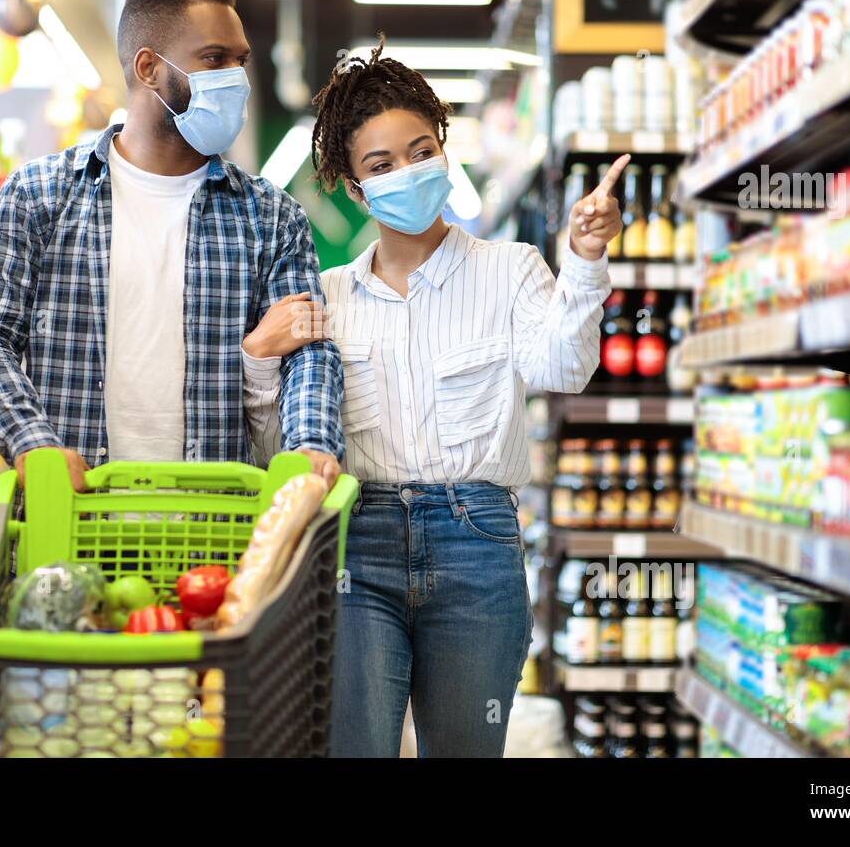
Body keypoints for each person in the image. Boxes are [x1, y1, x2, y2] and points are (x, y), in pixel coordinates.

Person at [242, 42, 625, 757]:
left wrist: (584, 260)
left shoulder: (511, 270)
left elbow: (566, 368)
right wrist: (260, 358)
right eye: (382, 165)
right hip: (354, 545)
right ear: (354, 189)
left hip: (477, 543)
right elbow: (280, 453)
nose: (408, 173)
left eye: (421, 152)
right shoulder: (326, 300)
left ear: (446, 153)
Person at [0, 0, 343, 488]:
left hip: (214, 521)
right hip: (73, 513)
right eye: (214, 59)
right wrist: (33, 442)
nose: (235, 79)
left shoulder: (272, 218)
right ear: (148, 68)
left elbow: (308, 350)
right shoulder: (38, 196)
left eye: (240, 61)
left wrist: (310, 442)